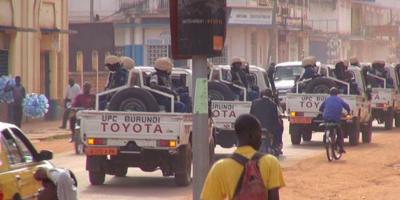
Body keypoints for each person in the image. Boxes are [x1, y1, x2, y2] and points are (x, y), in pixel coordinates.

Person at [201, 114, 285, 200]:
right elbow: (274, 197)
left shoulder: (220, 167)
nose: (261, 139)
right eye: (259, 134)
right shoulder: (271, 162)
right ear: (252, 135)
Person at [250, 89, 283, 155]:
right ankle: (276, 146)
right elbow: (275, 119)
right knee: (279, 129)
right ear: (271, 96)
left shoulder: (254, 102)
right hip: (268, 127)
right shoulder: (273, 104)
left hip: (256, 126)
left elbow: (251, 114)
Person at [319, 87, 350, 154]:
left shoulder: (327, 99)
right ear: (337, 93)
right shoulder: (339, 99)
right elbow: (346, 106)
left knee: (327, 127)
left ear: (330, 93)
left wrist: (324, 112)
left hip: (326, 117)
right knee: (340, 132)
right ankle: (341, 148)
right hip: (336, 118)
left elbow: (320, 108)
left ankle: (325, 138)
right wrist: (348, 112)